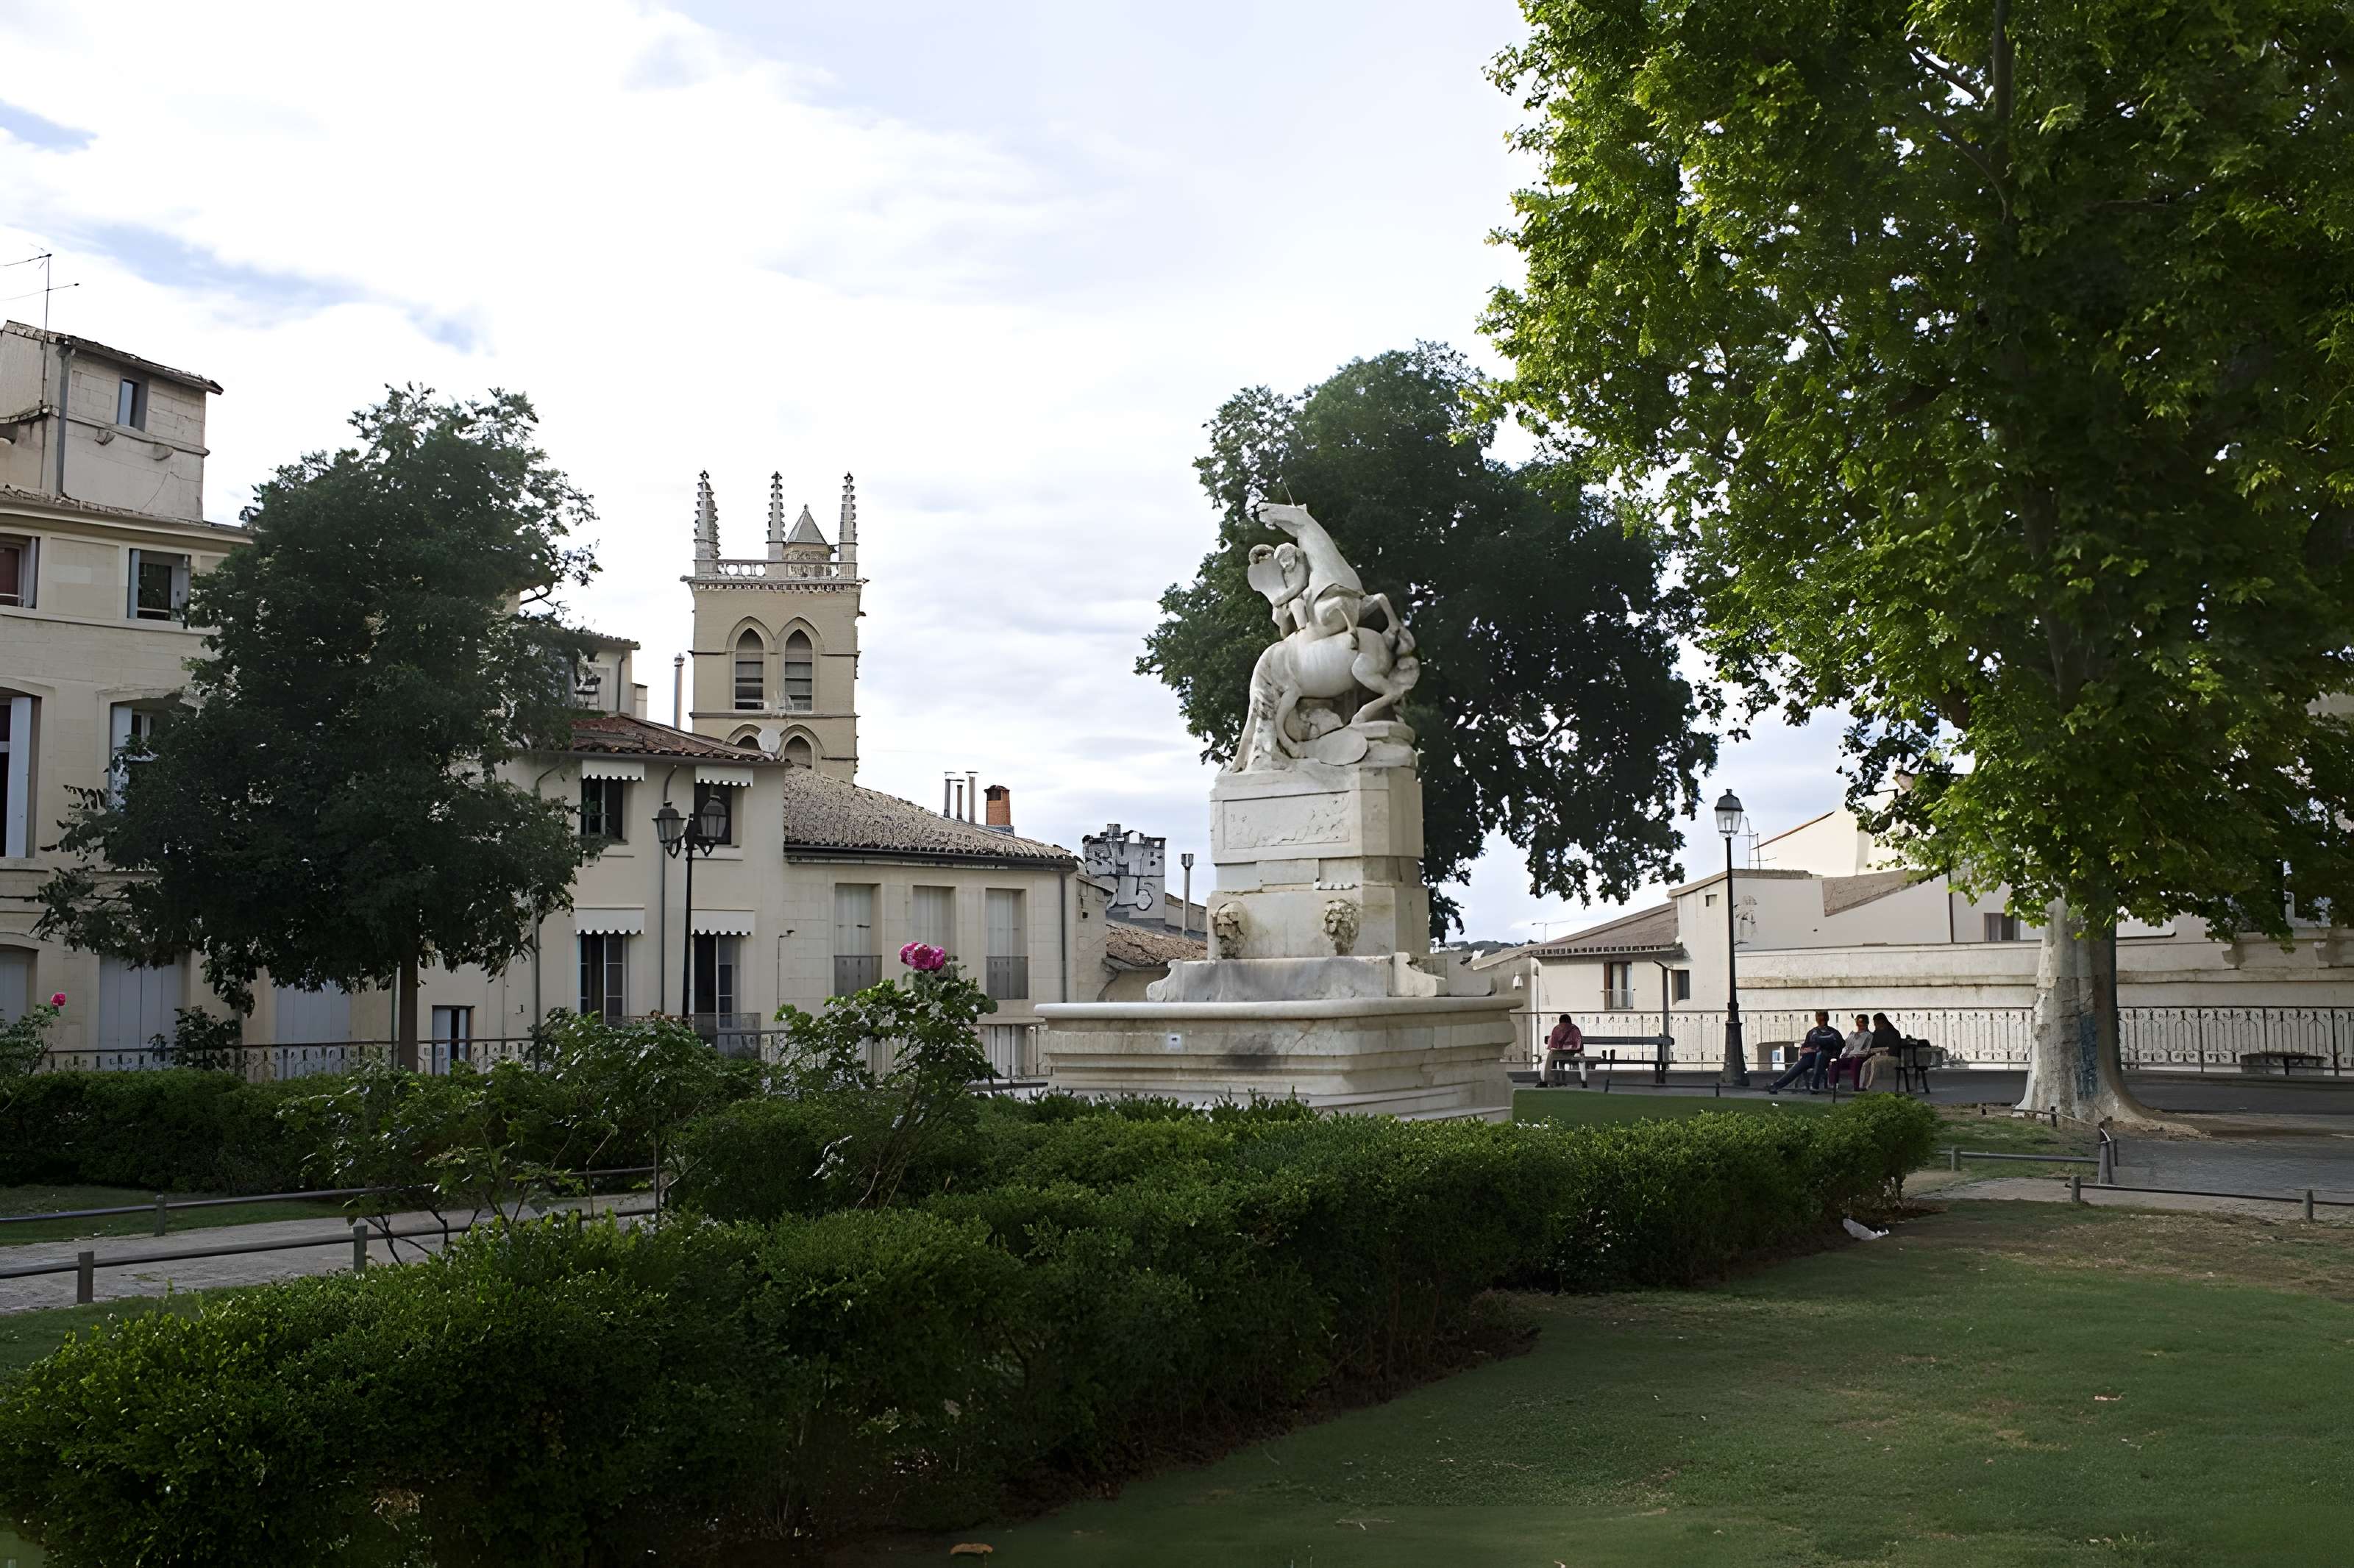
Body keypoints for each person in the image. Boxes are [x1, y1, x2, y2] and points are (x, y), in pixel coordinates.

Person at [1769, 1011, 1843, 1093]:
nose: (1822, 1021)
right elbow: (1804, 1048)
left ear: (1827, 1019)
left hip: (1826, 1058)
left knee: (1820, 1054)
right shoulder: (1812, 1032)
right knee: (1797, 1067)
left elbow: (1840, 1045)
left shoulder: (1834, 1033)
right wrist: (1808, 1050)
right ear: (1816, 1019)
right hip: (1811, 1057)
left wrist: (1832, 1055)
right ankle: (1777, 1086)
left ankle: (1815, 1086)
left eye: (1823, 1018)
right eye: (1819, 1019)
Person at [1859, 1012, 1904, 1091]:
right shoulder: (1876, 1033)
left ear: (1882, 1023)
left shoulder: (1894, 1033)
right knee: (1865, 1064)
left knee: (1874, 1063)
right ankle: (1863, 1085)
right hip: (1878, 1055)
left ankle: (1871, 1086)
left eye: (1876, 1024)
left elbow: (1893, 1049)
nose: (1876, 1026)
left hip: (1892, 1057)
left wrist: (1882, 1050)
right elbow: (1872, 1045)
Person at [1831, 1013, 1874, 1088]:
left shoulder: (1869, 1036)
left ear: (1866, 1023)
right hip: (1848, 1057)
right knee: (1835, 1063)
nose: (1858, 1024)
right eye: (1857, 1022)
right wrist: (1843, 1054)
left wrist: (1854, 1054)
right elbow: (1846, 1047)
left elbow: (1866, 1050)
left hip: (1859, 1057)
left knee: (1856, 1062)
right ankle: (1833, 1085)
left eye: (1860, 1022)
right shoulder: (1852, 1035)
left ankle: (1856, 1087)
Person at [1542, 1013, 1585, 1088]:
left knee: (1550, 1056)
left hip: (1559, 1054)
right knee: (1556, 1058)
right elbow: (1578, 1046)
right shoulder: (1575, 1029)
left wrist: (1561, 1048)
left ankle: (1546, 1079)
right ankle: (1582, 1080)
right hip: (1572, 1054)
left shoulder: (1556, 1029)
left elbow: (1553, 1046)